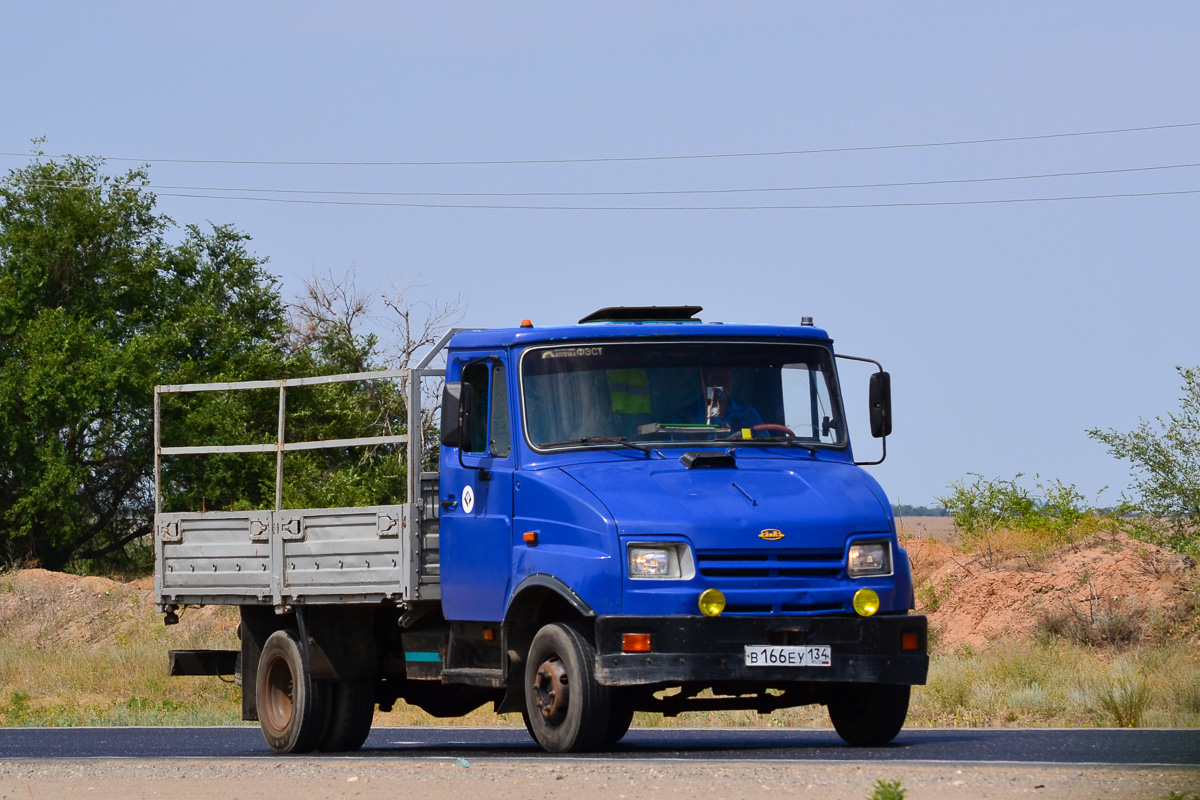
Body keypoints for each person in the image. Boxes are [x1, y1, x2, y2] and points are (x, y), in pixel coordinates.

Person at [698, 367, 765, 435]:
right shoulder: (689, 415)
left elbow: (764, 440)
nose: (725, 383)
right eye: (719, 379)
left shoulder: (748, 413)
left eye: (728, 378)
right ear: (704, 383)